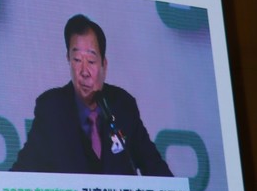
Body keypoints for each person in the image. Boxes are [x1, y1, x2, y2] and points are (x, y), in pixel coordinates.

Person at [10, 14, 172, 176]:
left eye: (91, 61)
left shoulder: (123, 105)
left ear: (104, 65)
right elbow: (22, 171)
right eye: (77, 60)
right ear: (68, 60)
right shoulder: (52, 109)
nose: (84, 72)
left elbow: (156, 167)